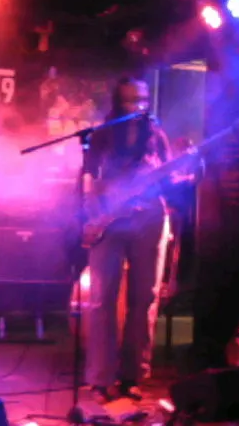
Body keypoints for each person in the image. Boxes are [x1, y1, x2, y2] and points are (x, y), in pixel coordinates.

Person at [82, 77, 172, 403]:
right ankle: (101, 379)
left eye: (143, 99)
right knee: (101, 299)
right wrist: (94, 214)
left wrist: (185, 172)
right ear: (119, 103)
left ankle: (133, 376)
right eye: (131, 100)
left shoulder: (157, 135)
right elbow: (88, 179)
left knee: (143, 299)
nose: (139, 106)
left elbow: (170, 177)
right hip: (109, 220)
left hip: (149, 218)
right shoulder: (102, 135)